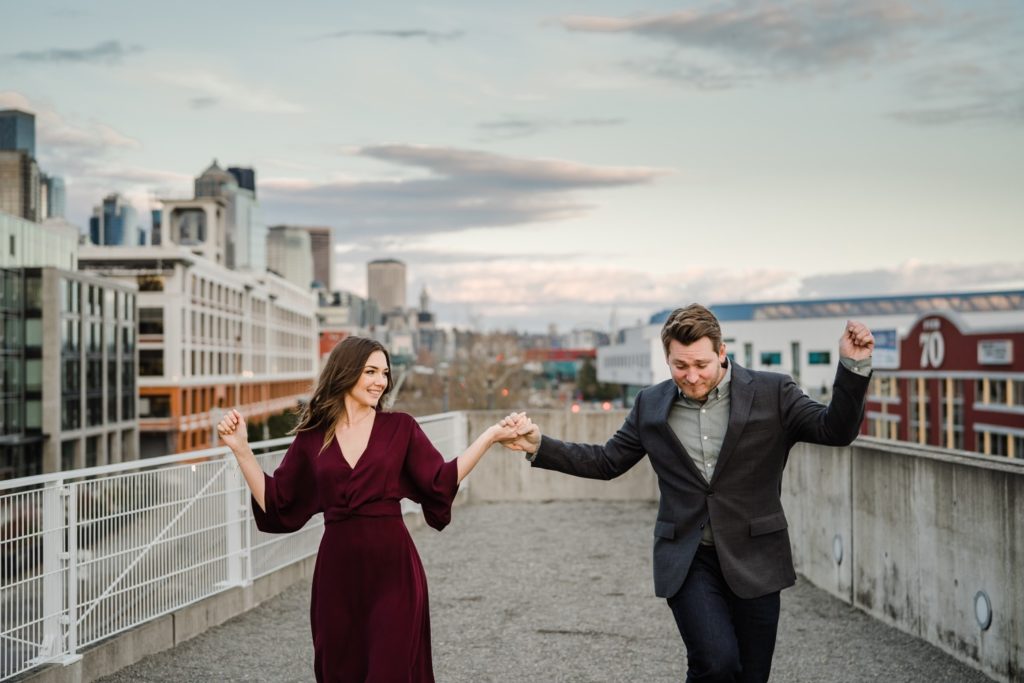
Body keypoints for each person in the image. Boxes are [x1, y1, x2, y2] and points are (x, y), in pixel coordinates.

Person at [500, 304, 873, 682]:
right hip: (689, 558)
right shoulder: (651, 404)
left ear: (722, 352)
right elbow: (606, 462)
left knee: (750, 675)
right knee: (715, 662)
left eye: (701, 364)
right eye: (680, 366)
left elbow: (835, 431)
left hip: (756, 556)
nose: (692, 376)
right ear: (667, 359)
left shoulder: (774, 391)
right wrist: (539, 444)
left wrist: (852, 368)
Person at [216, 336, 518, 682]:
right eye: (371, 371)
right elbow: (277, 501)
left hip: (394, 573)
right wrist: (241, 450)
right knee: (340, 670)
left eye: (385, 373)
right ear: (345, 372)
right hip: (336, 577)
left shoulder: (400, 427)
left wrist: (490, 436)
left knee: (390, 672)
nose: (380, 381)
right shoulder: (314, 436)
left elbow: (440, 480)